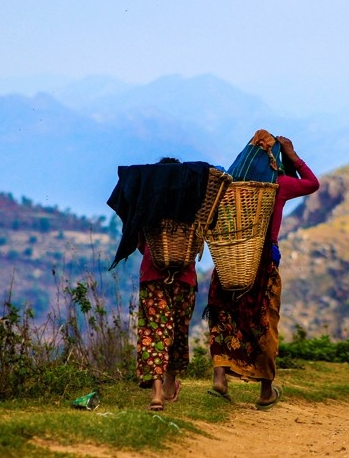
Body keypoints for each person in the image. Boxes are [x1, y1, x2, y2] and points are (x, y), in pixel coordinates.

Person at [205, 134, 320, 410]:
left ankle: (220, 379)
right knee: (264, 320)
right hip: (263, 263)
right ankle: (266, 390)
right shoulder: (277, 185)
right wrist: (293, 156)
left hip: (230, 262)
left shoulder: (229, 183)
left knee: (223, 317)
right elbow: (312, 184)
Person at [133, 157, 199, 411]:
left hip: (153, 276)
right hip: (184, 279)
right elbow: (197, 244)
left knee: (154, 332)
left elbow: (140, 242)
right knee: (178, 333)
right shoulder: (192, 208)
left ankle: (157, 394)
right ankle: (172, 383)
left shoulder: (149, 207)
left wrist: (156, 256)